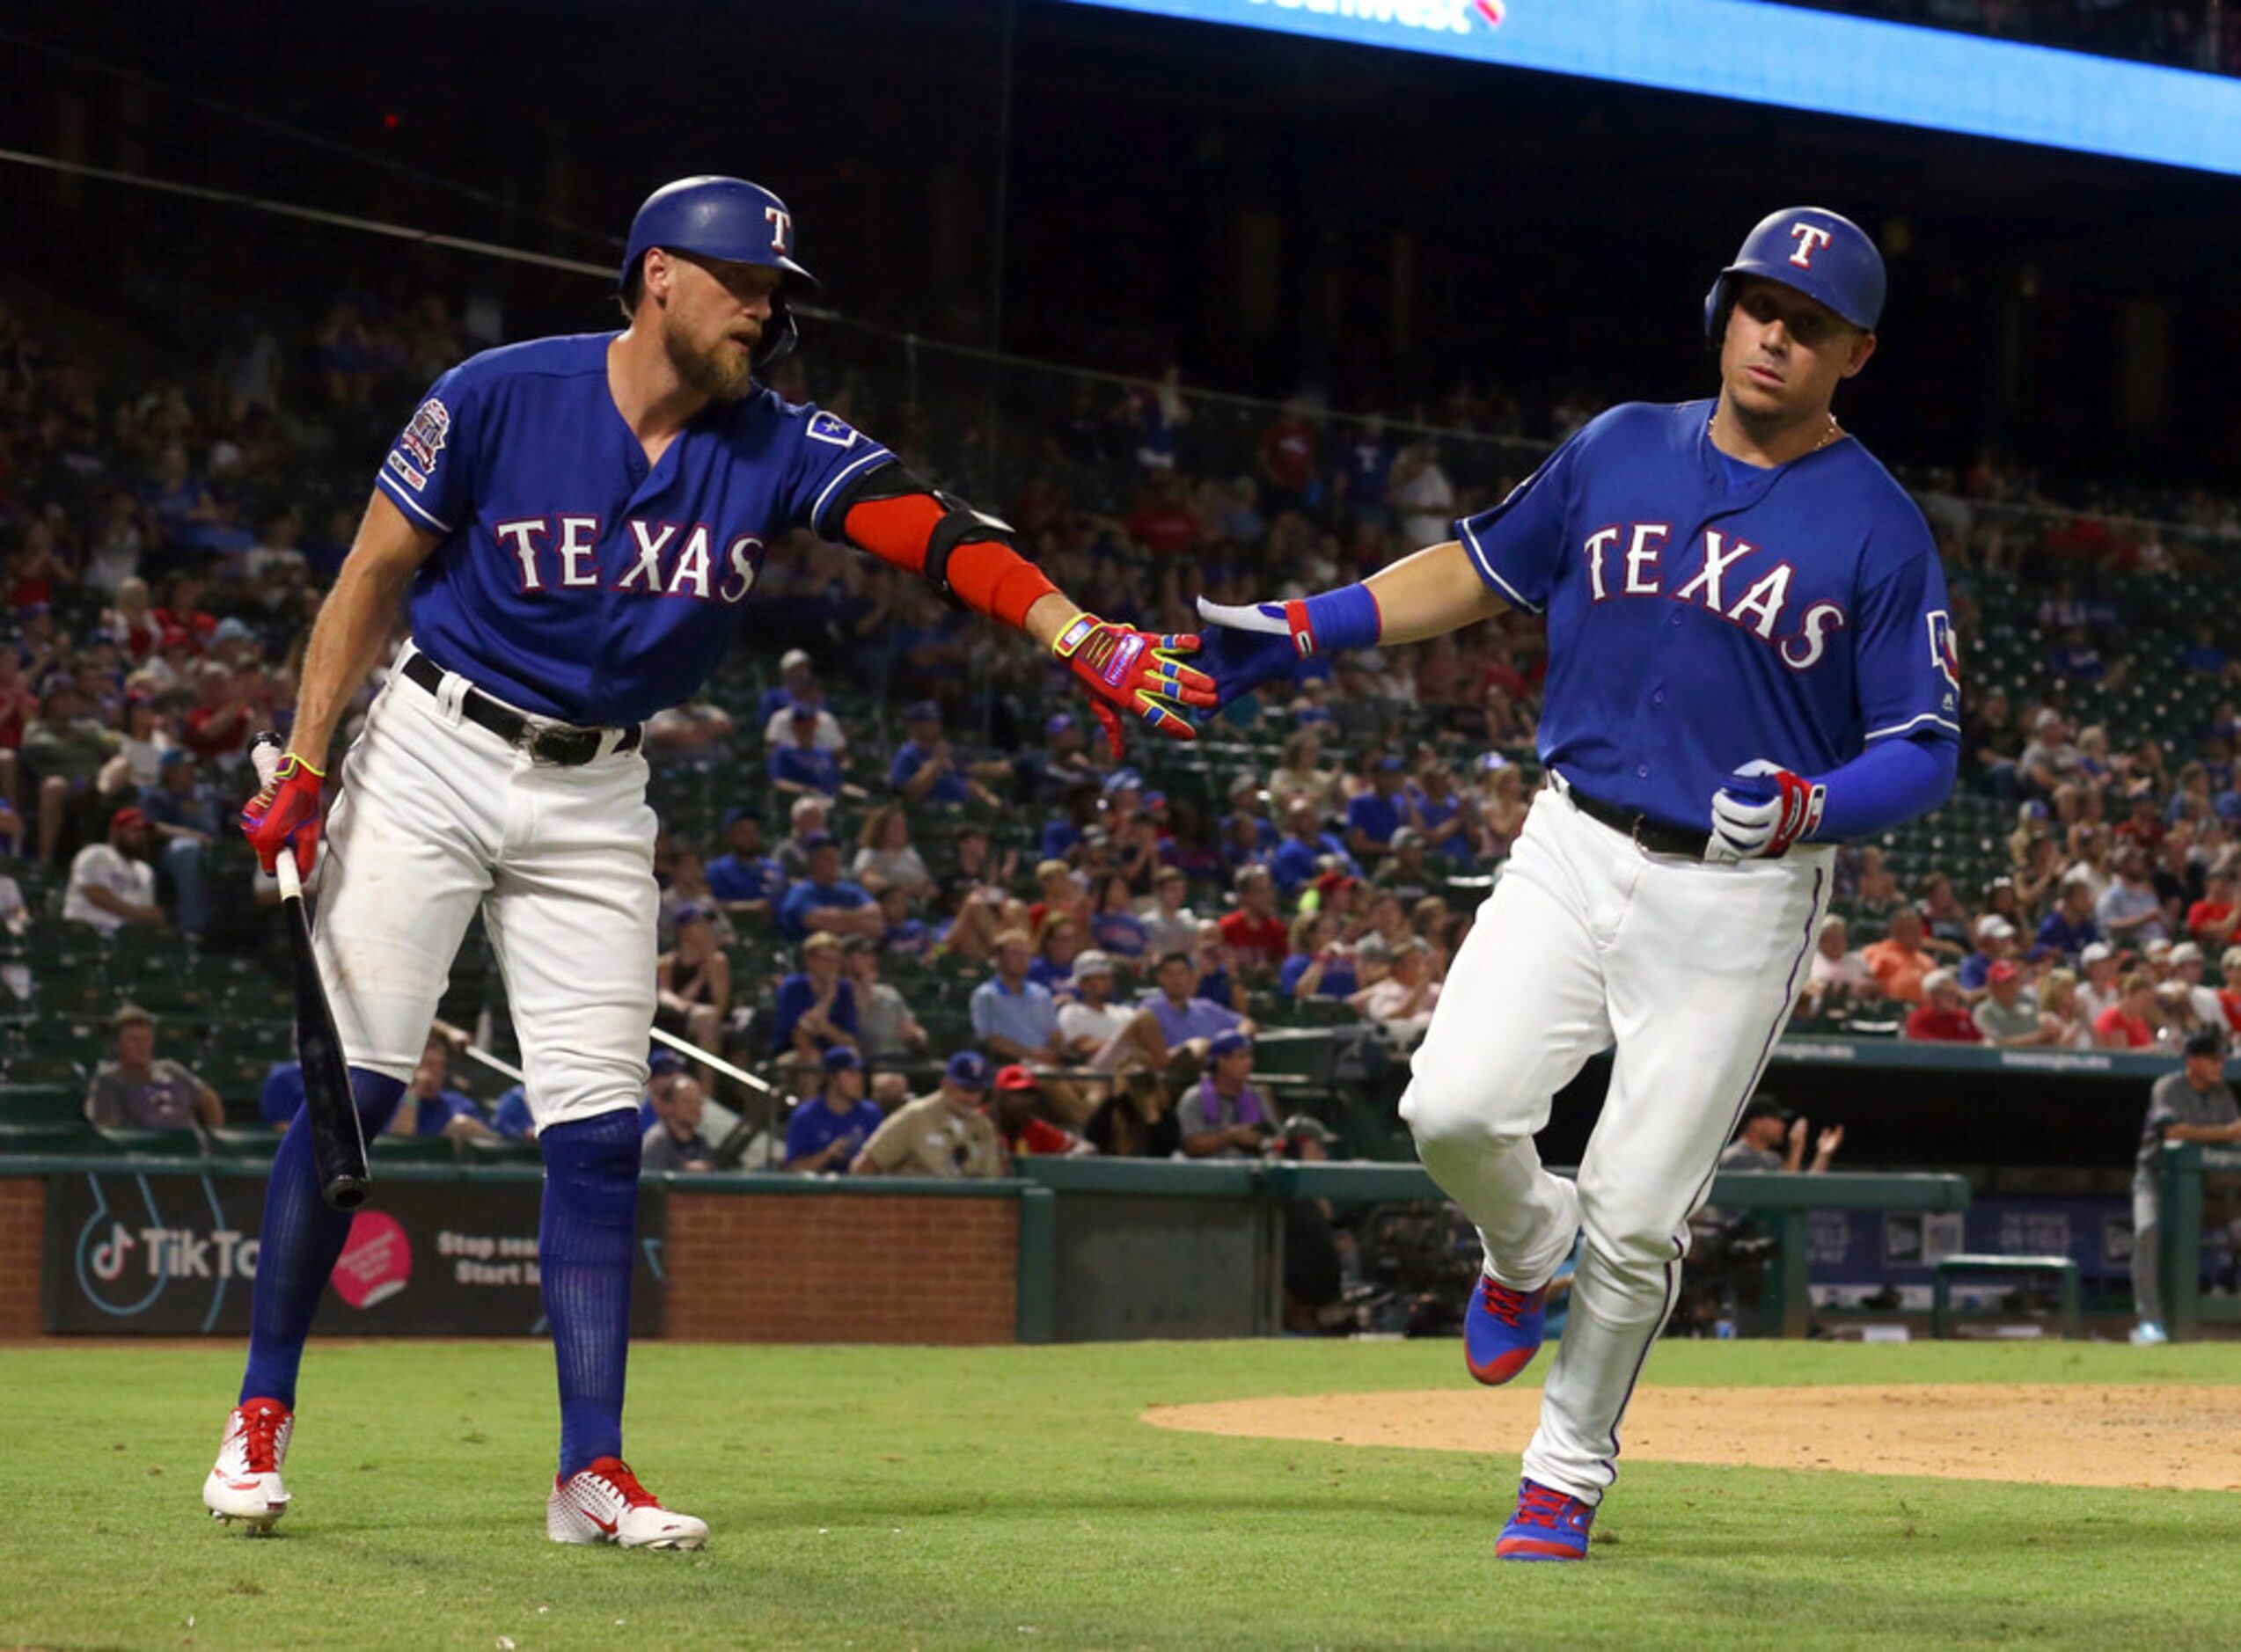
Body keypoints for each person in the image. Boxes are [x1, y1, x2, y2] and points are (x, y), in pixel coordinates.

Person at [214, 175, 1213, 1547]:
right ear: (657, 276)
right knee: (358, 1091)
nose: (764, 308)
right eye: (742, 281)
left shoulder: (772, 441)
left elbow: (928, 525)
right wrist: (313, 761)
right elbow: (370, 575)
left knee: (601, 1130)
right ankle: (259, 1416)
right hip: (432, 748)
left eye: (776, 291)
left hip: (597, 788)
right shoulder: (498, 393)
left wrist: (1071, 632)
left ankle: (588, 1471)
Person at [1194, 208, 1953, 1561]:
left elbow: (1921, 744)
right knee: (1448, 1108)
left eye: (1808, 322)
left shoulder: (1879, 529)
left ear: (1855, 353)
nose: (1773, 334)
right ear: (1720, 311)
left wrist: (1811, 804)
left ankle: (1564, 1464)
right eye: (1755, 305)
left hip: (1736, 889)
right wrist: (1313, 623)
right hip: (1569, 838)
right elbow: (1478, 569)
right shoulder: (1619, 443)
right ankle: (1521, 1240)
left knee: (1643, 1208)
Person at [2129, 1029, 2241, 1346]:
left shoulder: (2222, 1093)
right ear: (2192, 1060)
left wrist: (2204, 1132)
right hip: (2155, 1179)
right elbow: (2174, 1132)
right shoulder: (2168, 1087)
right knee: (2147, 1231)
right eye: (2213, 1059)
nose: (2220, 1066)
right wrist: (2224, 1132)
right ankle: (2149, 1321)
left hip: (2205, 1186)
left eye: (2222, 1060)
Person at [852, 1051, 1005, 1179]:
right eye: (964, 1089)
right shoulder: (915, 1116)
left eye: (976, 1091)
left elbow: (992, 1179)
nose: (969, 1098)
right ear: (946, 1083)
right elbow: (865, 1166)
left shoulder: (983, 1127)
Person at [85, 1004, 223, 1129]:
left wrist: (215, 1134)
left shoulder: (171, 1068)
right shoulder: (108, 1081)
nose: (142, 1046)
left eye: (147, 1039)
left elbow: (209, 1098)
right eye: (134, 1040)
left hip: (188, 1149)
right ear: (117, 1045)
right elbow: (110, 1130)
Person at [62, 805, 165, 938]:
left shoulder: (144, 870)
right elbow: (95, 894)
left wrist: (144, 914)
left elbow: (151, 916)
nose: (141, 836)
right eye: (134, 830)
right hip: (85, 934)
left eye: (143, 832)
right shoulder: (95, 854)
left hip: (123, 941)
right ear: (115, 831)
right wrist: (138, 913)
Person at [781, 1048, 882, 1173]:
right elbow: (792, 1167)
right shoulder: (805, 1115)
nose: (860, 1079)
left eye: (860, 1073)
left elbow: (885, 1161)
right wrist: (827, 1156)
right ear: (832, 1078)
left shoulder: (871, 1113)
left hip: (860, 1189)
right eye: (851, 1073)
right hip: (816, 1190)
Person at [1175, 1031, 1274, 1159]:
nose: (1249, 1063)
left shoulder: (1257, 1096)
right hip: (1207, 1173)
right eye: (1242, 1057)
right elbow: (1191, 1146)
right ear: (1221, 1061)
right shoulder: (1194, 1098)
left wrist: (1261, 1139)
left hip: (1251, 1171)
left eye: (1250, 1057)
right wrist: (1231, 1136)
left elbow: (1275, 1136)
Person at [639, 1076, 715, 1173]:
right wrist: (683, 1171)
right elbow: (647, 1180)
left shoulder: (701, 1143)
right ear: (668, 1106)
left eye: (698, 1102)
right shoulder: (656, 1141)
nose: (695, 1108)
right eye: (687, 1102)